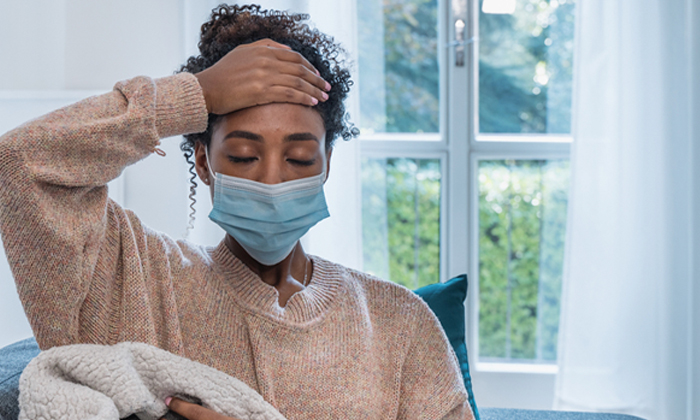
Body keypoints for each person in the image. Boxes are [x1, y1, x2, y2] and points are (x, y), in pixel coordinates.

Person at [0, 4, 472, 419]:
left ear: (326, 165)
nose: (271, 181)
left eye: (300, 159)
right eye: (244, 156)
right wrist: (194, 95)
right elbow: (21, 163)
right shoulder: (136, 281)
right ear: (204, 162)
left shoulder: (401, 324)